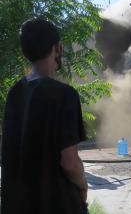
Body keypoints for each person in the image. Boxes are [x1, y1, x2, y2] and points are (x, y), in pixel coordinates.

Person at [1, 18, 88, 214]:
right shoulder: (65, 95)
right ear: (57, 48)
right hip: (57, 204)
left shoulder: (14, 93)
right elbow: (69, 162)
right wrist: (83, 184)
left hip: (18, 205)